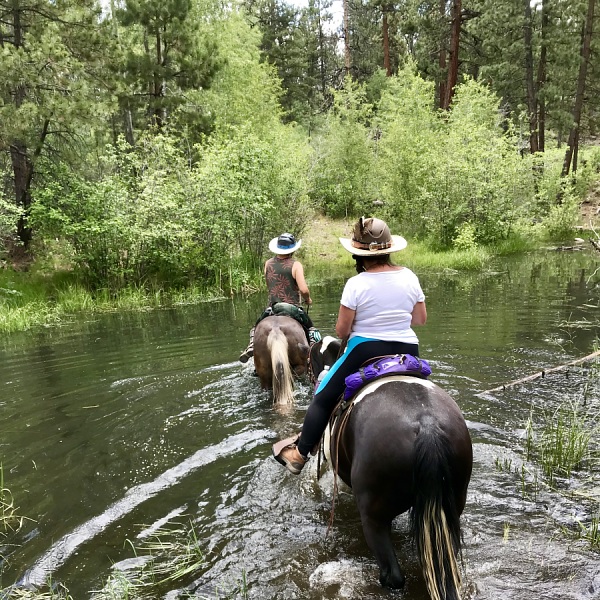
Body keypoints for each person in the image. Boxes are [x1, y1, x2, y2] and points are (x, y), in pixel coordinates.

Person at [273, 216, 427, 474]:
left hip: (365, 350)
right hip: (408, 350)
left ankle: (299, 454)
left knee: (322, 397)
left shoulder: (356, 283)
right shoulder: (409, 276)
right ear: (388, 250)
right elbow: (420, 319)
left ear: (359, 255)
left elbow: (342, 330)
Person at [239, 232, 318, 363]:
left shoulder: (268, 263)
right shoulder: (295, 265)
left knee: (256, 326)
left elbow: (269, 284)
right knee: (311, 329)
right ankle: (314, 351)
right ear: (293, 249)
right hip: (292, 308)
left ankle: (252, 344)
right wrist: (307, 299)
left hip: (272, 308)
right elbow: (304, 289)